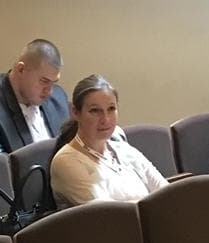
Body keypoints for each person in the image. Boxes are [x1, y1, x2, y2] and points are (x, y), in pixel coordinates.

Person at [49, 75, 167, 207]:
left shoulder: (124, 150)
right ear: (76, 113)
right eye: (95, 111)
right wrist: (153, 206)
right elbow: (108, 214)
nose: (105, 119)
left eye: (111, 109)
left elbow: (165, 193)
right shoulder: (66, 162)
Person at [0, 38, 69, 151]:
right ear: (21, 69)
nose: (49, 91)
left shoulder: (58, 98)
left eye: (53, 82)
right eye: (44, 81)